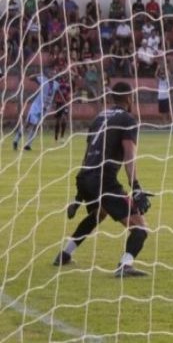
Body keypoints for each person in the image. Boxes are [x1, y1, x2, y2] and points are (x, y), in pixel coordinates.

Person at [52, 81, 152, 277]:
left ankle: (65, 254)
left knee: (99, 213)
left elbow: (88, 154)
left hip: (85, 177)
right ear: (130, 98)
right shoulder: (128, 120)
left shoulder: (99, 117)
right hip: (103, 180)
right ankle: (125, 265)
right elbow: (129, 156)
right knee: (140, 228)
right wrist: (136, 187)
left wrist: (78, 196)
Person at [13, 71, 61, 151]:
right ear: (48, 74)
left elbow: (55, 95)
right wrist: (39, 74)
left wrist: (55, 105)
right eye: (51, 73)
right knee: (28, 124)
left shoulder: (56, 84)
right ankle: (16, 140)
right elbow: (30, 77)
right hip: (36, 106)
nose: (53, 75)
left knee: (37, 126)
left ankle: (28, 145)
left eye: (54, 74)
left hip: (45, 109)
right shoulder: (43, 79)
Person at [53, 74, 72, 141]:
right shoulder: (58, 86)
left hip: (65, 104)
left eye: (65, 77)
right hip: (59, 103)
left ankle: (62, 136)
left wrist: (68, 100)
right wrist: (55, 102)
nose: (64, 79)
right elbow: (55, 94)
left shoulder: (68, 86)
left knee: (64, 119)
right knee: (58, 121)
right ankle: (56, 135)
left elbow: (69, 94)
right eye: (62, 78)